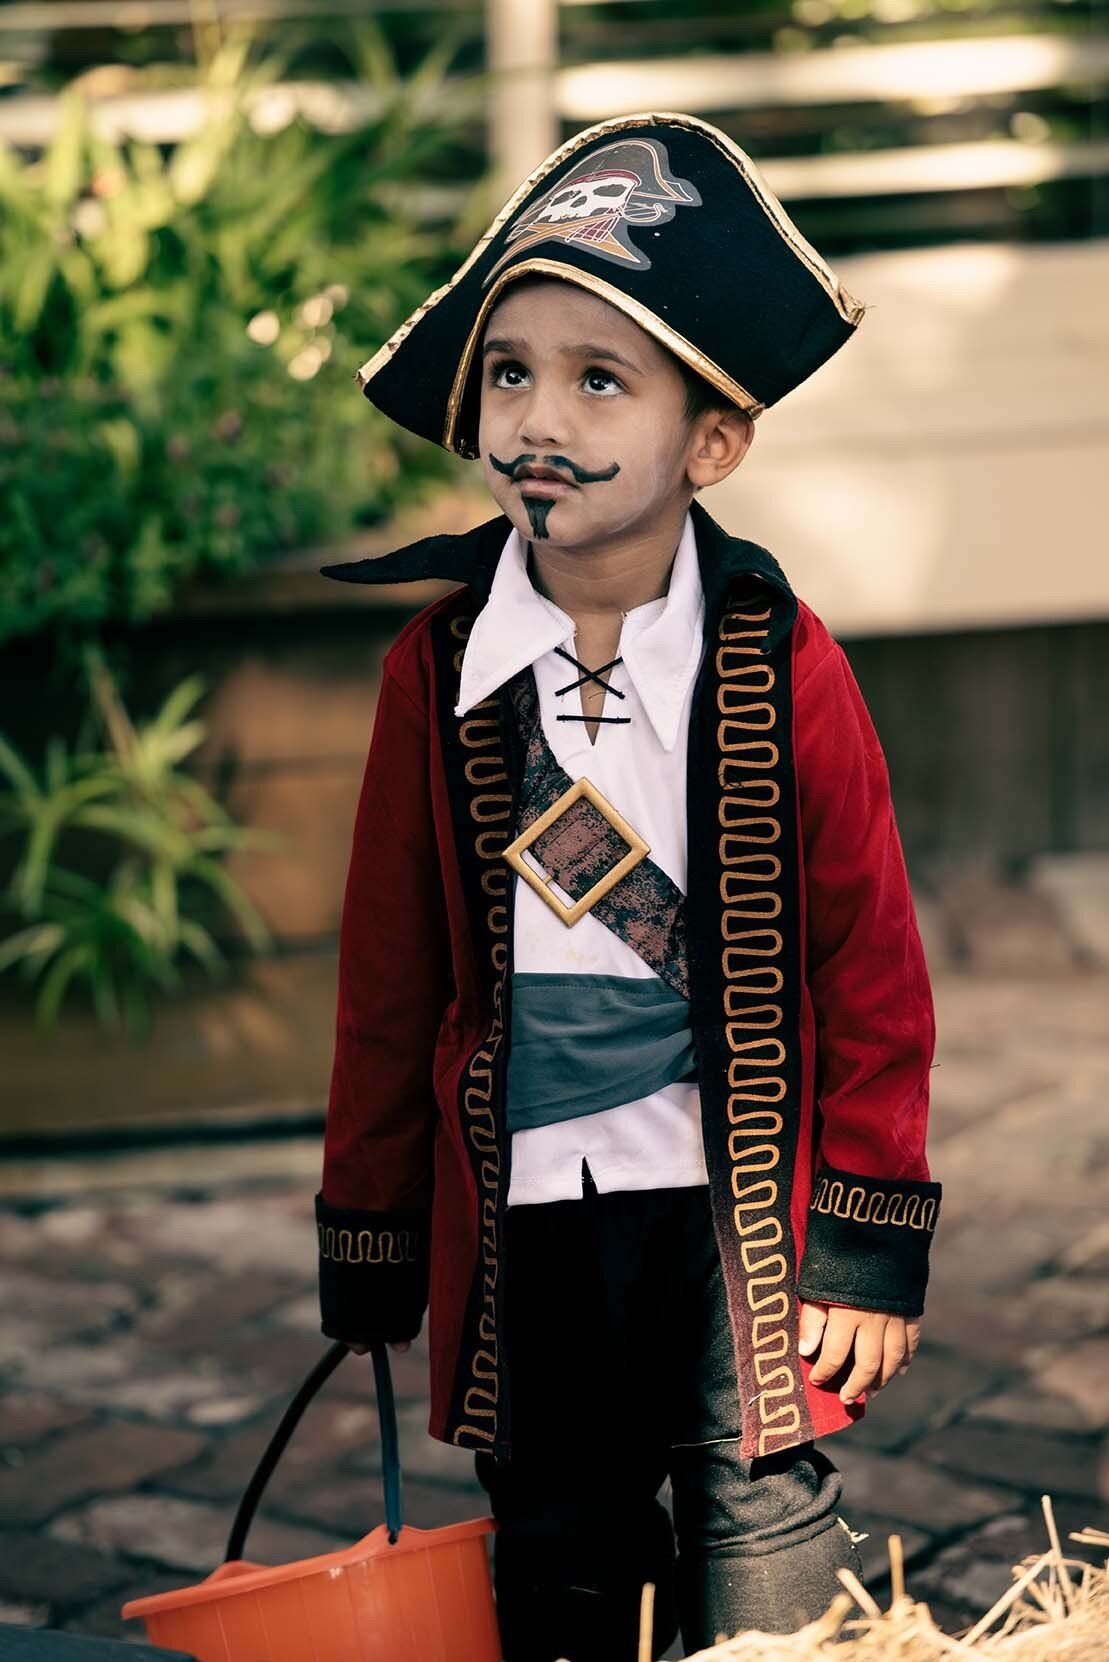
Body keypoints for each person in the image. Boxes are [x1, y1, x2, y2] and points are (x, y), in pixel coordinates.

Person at [314, 112, 942, 1659]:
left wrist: (864, 1235)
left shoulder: (777, 660)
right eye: (511, 370)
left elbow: (867, 956)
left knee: (765, 1531)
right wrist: (373, 1220)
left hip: (732, 1208)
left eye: (602, 378)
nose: (541, 415)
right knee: (559, 1543)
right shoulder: (438, 670)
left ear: (710, 441)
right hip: (526, 1208)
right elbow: (389, 978)